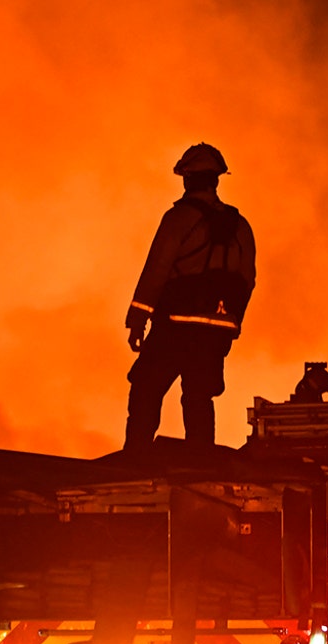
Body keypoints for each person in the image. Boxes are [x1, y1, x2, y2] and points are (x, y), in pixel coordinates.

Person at [123, 142, 257, 451]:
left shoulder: (179, 218)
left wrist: (137, 319)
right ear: (216, 179)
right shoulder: (241, 226)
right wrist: (232, 325)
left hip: (176, 326)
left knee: (146, 388)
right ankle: (201, 461)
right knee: (199, 396)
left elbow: (157, 269)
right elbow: (247, 281)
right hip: (216, 332)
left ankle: (135, 458)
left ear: (187, 178)